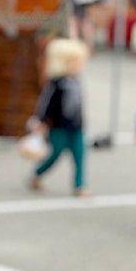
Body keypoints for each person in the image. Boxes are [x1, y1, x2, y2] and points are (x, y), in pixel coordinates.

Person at [28, 38, 91, 196]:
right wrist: (41, 121)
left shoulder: (76, 81)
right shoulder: (56, 84)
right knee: (55, 153)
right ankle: (38, 173)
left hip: (76, 126)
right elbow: (46, 104)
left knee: (80, 154)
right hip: (58, 126)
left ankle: (79, 185)